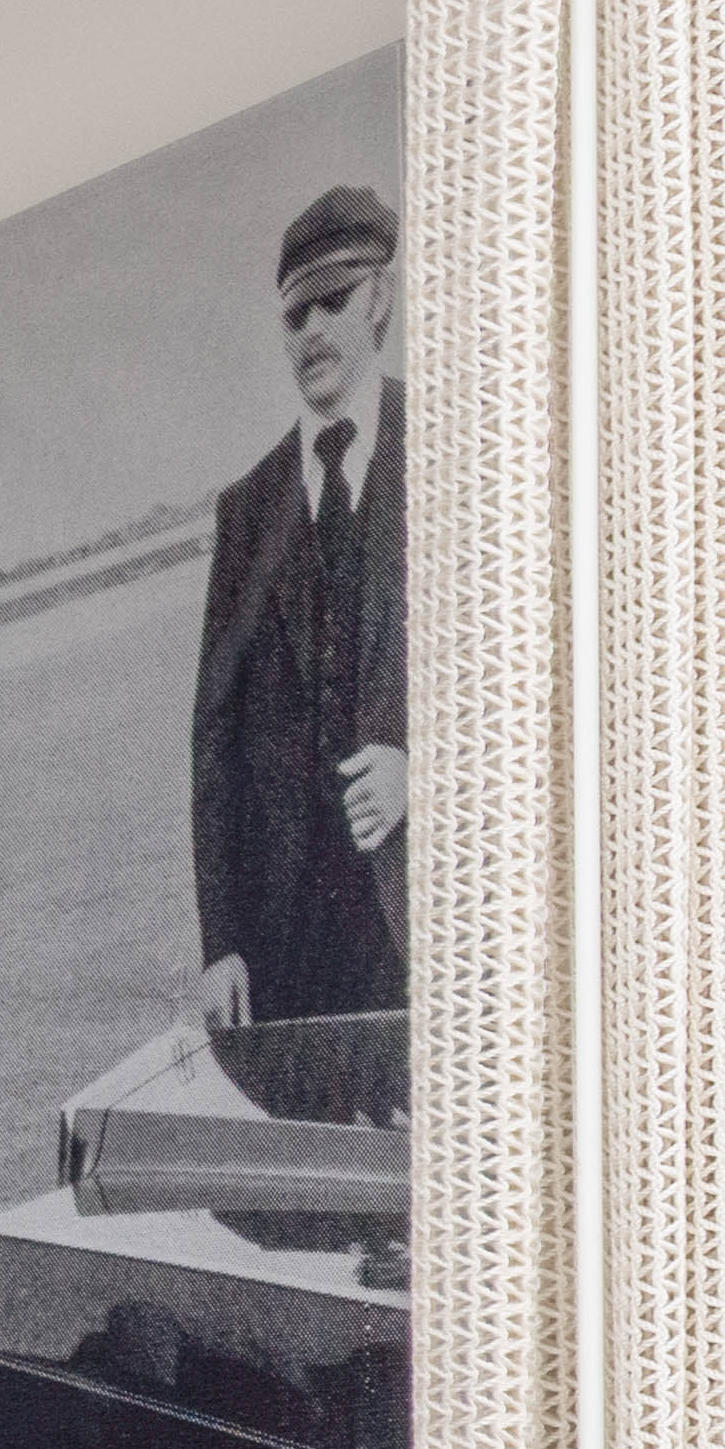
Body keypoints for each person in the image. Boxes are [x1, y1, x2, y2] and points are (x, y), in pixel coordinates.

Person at [189, 182, 409, 1031]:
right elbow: (216, 744)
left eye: (334, 301)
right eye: (294, 316)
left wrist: (424, 773)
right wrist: (223, 945)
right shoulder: (247, 512)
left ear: (380, 299)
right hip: (293, 964)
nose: (312, 330)